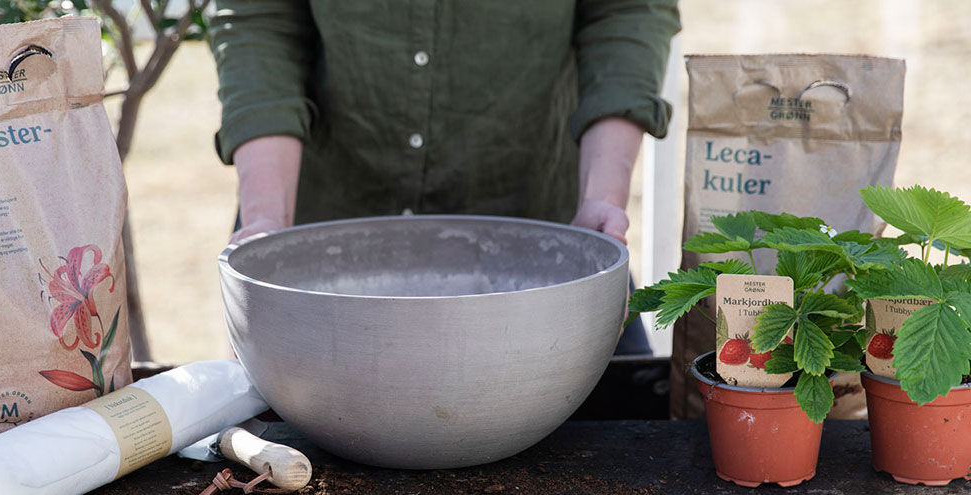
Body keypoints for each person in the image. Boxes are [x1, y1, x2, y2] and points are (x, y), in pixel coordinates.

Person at [209, 0, 680, 355]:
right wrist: (267, 218)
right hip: (314, 257)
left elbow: (626, 11)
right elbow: (261, 20)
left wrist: (603, 197)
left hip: (543, 254)